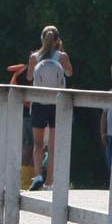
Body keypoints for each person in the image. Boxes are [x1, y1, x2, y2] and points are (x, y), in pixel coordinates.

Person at [27, 25, 73, 190]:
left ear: (42, 39)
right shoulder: (62, 56)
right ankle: (49, 182)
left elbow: (29, 76)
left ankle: (38, 174)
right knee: (53, 145)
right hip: (57, 103)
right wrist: (60, 52)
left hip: (39, 102)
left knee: (38, 144)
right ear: (57, 40)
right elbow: (69, 73)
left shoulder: (34, 57)